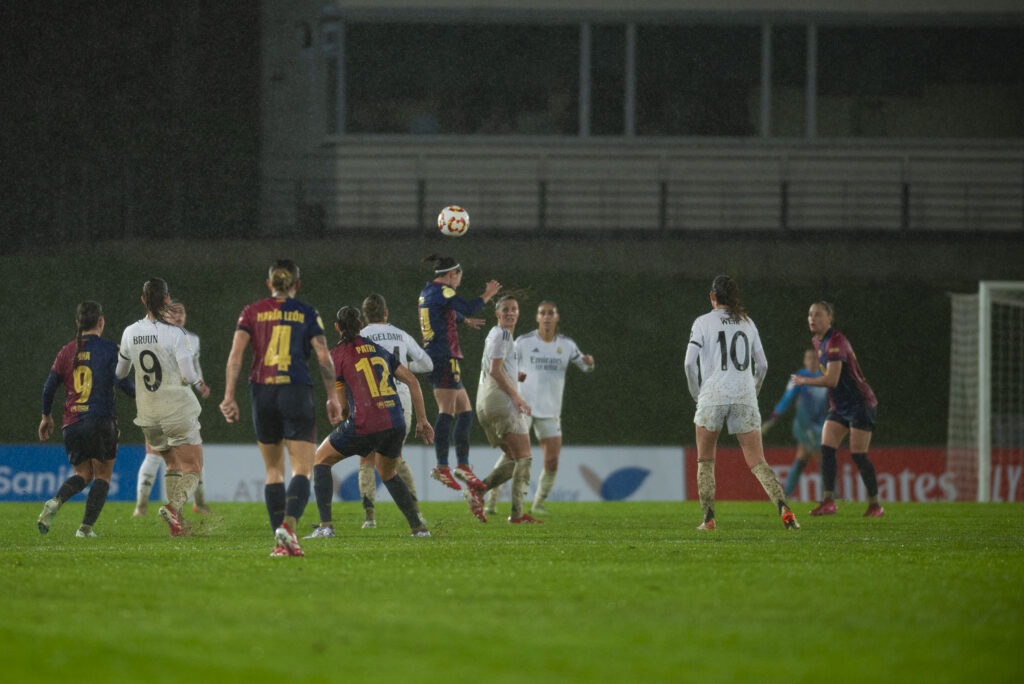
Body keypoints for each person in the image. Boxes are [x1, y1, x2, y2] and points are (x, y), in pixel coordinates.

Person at [220, 260, 343, 557]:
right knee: (302, 468)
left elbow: (236, 355)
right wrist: (333, 397)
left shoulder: (251, 311)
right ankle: (288, 529)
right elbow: (324, 357)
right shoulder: (307, 312)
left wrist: (229, 395)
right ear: (296, 285)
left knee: (273, 471)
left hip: (262, 391)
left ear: (269, 284)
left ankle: (280, 544)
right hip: (296, 389)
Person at [683, 275, 799, 531]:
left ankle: (709, 519)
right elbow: (764, 364)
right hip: (744, 395)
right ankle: (786, 512)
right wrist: (753, 390)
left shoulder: (702, 323)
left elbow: (689, 363)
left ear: (712, 296)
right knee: (758, 462)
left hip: (712, 395)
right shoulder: (748, 323)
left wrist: (697, 394)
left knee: (705, 460)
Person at [308, 306, 434, 538]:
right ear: (360, 327)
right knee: (388, 474)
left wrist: (346, 422)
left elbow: (343, 405)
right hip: (395, 423)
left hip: (365, 423)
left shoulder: (336, 355)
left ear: (337, 328)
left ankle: (326, 527)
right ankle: (419, 528)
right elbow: (413, 381)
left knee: (320, 460)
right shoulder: (379, 350)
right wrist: (423, 420)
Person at [484, 300, 595, 516]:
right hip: (524, 408)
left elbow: (584, 365)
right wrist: (514, 380)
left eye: (550, 313)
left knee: (552, 460)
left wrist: (590, 364)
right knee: (512, 456)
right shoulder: (524, 342)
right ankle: (492, 500)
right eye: (542, 313)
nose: (546, 316)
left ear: (556, 317)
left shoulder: (567, 345)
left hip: (551, 411)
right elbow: (505, 364)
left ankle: (538, 503)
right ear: (537, 317)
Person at [37, 301, 136, 537]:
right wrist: (145, 398)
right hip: (101, 419)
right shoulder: (111, 349)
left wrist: (46, 416)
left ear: (77, 324)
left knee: (83, 474)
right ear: (101, 322)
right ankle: (85, 528)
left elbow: (49, 387)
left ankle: (56, 501)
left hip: (72, 423)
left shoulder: (66, 350)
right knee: (102, 475)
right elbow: (122, 382)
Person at [116, 279, 206, 537]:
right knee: (193, 469)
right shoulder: (177, 334)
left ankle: (176, 525)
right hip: (176, 410)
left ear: (142, 300)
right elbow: (189, 376)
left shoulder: (129, 332)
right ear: (166, 301)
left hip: (148, 415)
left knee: (171, 465)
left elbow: (120, 373)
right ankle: (173, 507)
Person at [345, 293, 433, 530]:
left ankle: (370, 518)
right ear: (386, 313)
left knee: (367, 456)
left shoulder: (360, 336)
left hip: (372, 399)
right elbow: (427, 364)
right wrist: (401, 367)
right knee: (395, 456)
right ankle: (416, 513)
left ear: (364, 316)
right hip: (402, 396)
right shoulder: (401, 334)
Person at [417, 253, 501, 492]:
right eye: (459, 278)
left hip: (440, 355)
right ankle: (442, 467)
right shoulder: (444, 292)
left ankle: (462, 465)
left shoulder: (428, 291)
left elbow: (449, 310)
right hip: (442, 355)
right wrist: (488, 294)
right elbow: (466, 305)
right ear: (452, 274)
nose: (458, 283)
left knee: (465, 411)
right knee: (448, 410)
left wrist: (464, 321)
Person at [791, 301, 884, 517]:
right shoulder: (817, 341)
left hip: (860, 403)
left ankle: (875, 505)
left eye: (818, 315)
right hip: (840, 406)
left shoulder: (835, 342)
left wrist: (805, 380)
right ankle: (828, 501)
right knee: (827, 449)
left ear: (830, 319)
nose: (812, 318)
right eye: (810, 314)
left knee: (859, 455)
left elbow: (832, 380)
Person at [461, 295, 540, 524]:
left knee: (512, 457)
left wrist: (516, 375)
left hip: (484, 403)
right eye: (505, 309)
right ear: (497, 314)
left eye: (514, 309)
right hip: (501, 402)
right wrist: (518, 398)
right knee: (524, 458)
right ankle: (515, 513)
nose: (510, 313)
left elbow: (494, 368)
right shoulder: (504, 334)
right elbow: (495, 371)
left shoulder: (495, 335)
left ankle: (478, 491)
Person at [133, 300, 213, 517]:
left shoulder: (190, 339)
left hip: (159, 405)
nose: (178, 316)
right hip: (171, 403)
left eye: (182, 312)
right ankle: (143, 506)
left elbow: (194, 366)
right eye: (173, 313)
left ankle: (195, 504)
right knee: (169, 458)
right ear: (164, 315)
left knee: (173, 461)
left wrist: (200, 383)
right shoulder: (160, 336)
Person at [761, 349, 828, 499]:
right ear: (804, 361)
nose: (812, 361)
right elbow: (786, 399)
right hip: (804, 425)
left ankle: (784, 496)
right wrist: (772, 419)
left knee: (802, 458)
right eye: (808, 358)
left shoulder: (825, 376)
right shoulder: (798, 378)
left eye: (814, 358)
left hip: (820, 425)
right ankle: (832, 497)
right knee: (823, 458)